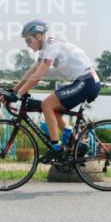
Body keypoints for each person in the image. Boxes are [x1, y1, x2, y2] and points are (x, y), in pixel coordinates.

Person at [13, 19, 101, 164]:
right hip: (82, 81)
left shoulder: (52, 47)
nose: (28, 45)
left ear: (39, 36)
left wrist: (18, 95)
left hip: (87, 82)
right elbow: (32, 71)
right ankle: (73, 140)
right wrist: (14, 90)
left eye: (29, 41)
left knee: (47, 104)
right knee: (51, 108)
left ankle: (56, 147)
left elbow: (37, 77)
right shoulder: (46, 47)